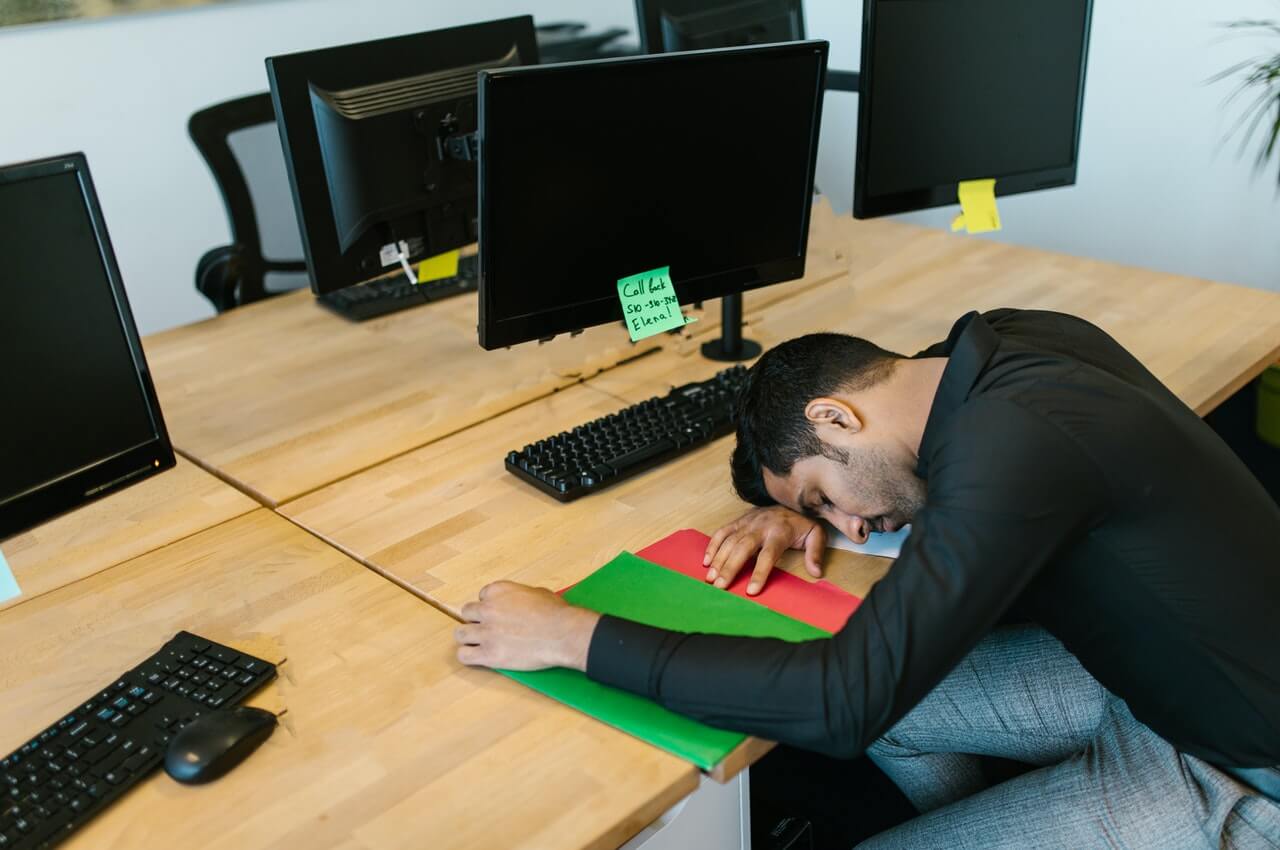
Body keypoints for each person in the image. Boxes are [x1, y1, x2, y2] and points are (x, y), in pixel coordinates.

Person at [454, 309, 1280, 848]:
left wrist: (571, 634)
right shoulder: (1007, 347)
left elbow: (842, 702)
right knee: (898, 698)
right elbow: (900, 446)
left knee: (860, 702)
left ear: (835, 417)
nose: (847, 528)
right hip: (1155, 678)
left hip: (1239, 773)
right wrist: (807, 505)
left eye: (824, 497)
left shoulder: (1014, 449)